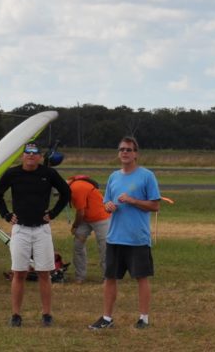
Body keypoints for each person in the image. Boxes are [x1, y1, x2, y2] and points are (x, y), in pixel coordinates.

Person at [0, 142, 70, 328]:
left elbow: (66, 192)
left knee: (44, 273)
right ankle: (16, 315)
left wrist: (53, 213)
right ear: (23, 156)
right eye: (28, 153)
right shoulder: (13, 173)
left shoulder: (48, 173)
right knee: (19, 272)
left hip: (42, 229)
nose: (31, 157)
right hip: (20, 229)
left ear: (40, 157)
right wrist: (6, 214)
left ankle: (46, 314)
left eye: (35, 154)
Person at [88, 136, 161, 330]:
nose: (125, 153)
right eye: (122, 149)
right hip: (115, 237)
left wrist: (133, 200)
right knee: (110, 278)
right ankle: (106, 318)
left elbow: (155, 205)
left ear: (136, 154)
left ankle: (143, 318)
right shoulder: (114, 177)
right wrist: (108, 206)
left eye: (129, 149)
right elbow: (106, 204)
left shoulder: (146, 176)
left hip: (137, 238)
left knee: (141, 278)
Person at [68, 174, 110, 283]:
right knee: (78, 245)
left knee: (104, 247)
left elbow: (80, 213)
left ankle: (108, 277)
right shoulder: (72, 185)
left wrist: (74, 226)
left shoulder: (76, 188)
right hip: (86, 219)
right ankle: (80, 276)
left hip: (101, 218)